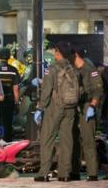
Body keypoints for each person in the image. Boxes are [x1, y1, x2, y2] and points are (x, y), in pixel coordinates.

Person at [33, 42, 78, 182]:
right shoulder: (73, 69)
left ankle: (44, 173)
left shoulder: (52, 69)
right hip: (70, 108)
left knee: (47, 140)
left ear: (58, 52)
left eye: (54, 51)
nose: (53, 53)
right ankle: (64, 174)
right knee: (67, 141)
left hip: (55, 107)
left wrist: (40, 108)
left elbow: (46, 91)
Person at [70, 47, 103, 181]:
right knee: (74, 141)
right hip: (75, 107)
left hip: (88, 106)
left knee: (88, 141)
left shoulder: (90, 69)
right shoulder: (72, 70)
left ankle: (92, 173)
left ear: (76, 55)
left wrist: (92, 106)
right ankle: (74, 171)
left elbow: (98, 90)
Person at [0, 48, 20, 142]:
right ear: (9, 57)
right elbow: (15, 89)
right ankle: (8, 141)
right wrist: (17, 102)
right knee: (8, 121)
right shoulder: (13, 70)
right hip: (9, 100)